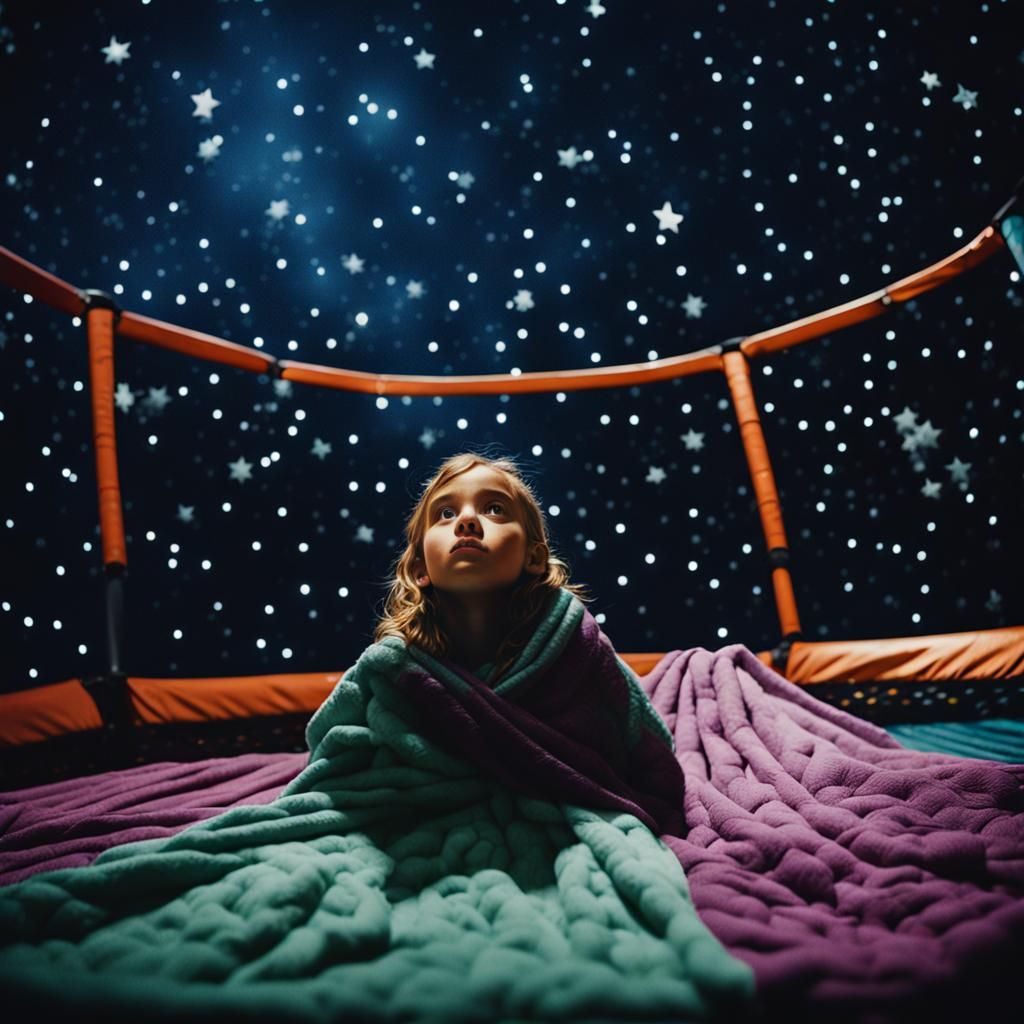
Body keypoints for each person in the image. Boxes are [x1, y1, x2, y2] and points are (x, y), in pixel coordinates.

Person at [372, 448, 594, 685]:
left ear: (534, 558)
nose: (467, 520)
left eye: (494, 509)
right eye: (446, 513)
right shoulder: (391, 668)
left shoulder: (579, 646)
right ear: (421, 569)